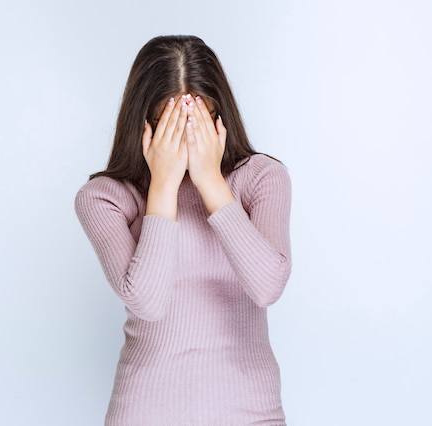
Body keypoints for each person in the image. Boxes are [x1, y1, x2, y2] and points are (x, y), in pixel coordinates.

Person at [75, 35, 291, 426]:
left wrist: (210, 182)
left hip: (252, 411)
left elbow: (267, 287)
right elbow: (148, 302)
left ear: (219, 119)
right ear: (144, 127)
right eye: (173, 127)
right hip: (145, 412)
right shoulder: (104, 198)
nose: (188, 140)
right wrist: (164, 186)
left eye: (199, 124)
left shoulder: (262, 178)